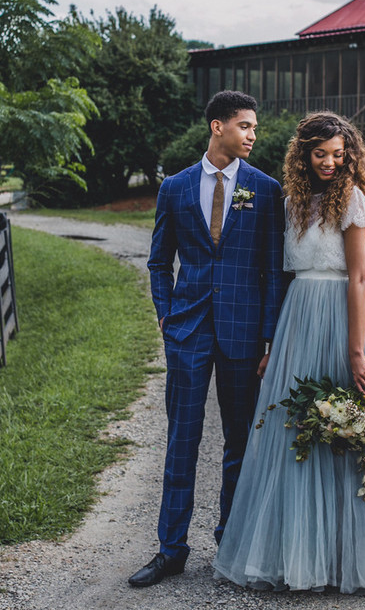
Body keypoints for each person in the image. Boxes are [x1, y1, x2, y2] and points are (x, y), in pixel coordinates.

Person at [213, 111, 365, 594]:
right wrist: (273, 345)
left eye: (338, 155)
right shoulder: (293, 202)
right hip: (299, 320)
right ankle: (299, 552)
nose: (329, 163)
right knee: (299, 428)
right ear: (303, 155)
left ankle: (353, 552)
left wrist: (357, 353)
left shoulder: (353, 199)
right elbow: (284, 277)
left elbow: (358, 278)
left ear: (349, 156)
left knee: (349, 425)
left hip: (345, 317)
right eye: (319, 154)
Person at [128, 90, 285, 587]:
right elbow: (158, 262)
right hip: (188, 331)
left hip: (243, 336)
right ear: (217, 126)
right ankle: (170, 549)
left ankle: (229, 544)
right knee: (182, 441)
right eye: (245, 126)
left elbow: (273, 269)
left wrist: (269, 338)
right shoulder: (174, 188)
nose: (253, 135)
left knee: (239, 442)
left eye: (255, 127)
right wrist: (164, 316)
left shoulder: (265, 189)